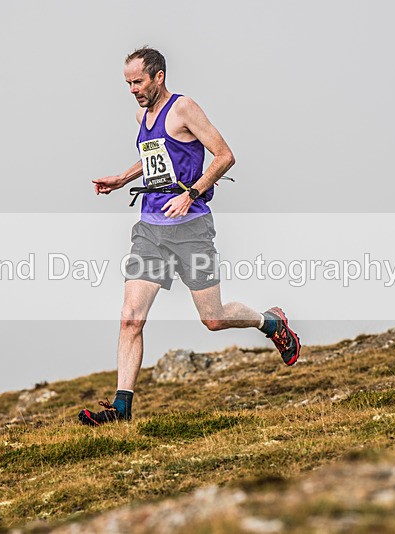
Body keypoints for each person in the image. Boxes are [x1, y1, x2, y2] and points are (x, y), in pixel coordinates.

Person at [80, 47, 301, 426]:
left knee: (212, 319)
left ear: (159, 76)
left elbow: (224, 155)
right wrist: (122, 178)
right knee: (130, 318)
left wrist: (191, 194)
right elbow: (157, 155)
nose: (133, 89)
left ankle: (271, 323)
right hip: (150, 228)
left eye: (138, 81)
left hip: (191, 228)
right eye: (128, 83)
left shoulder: (184, 108)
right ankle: (121, 408)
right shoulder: (142, 115)